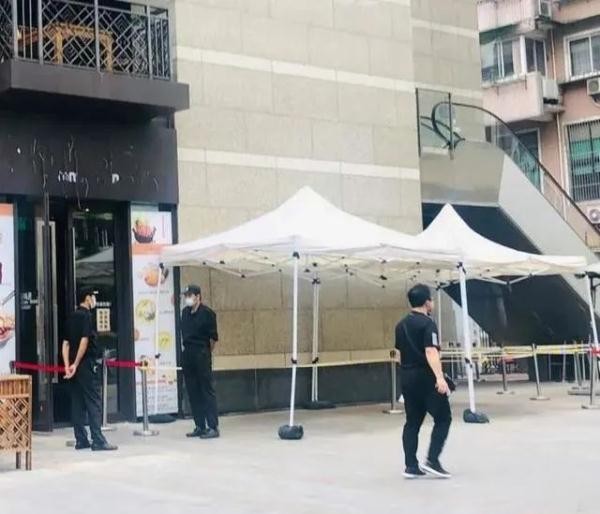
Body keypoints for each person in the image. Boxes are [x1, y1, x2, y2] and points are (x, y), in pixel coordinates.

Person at [395, 283, 451, 479]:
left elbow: (399, 354)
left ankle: (411, 465)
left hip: (407, 376)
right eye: (431, 299)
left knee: (412, 422)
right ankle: (432, 460)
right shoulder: (428, 324)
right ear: (427, 302)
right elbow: (430, 351)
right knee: (443, 418)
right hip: (426, 377)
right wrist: (440, 378)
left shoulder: (400, 325)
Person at [62, 287, 117, 451]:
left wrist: (67, 366)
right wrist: (76, 363)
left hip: (74, 367)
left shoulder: (71, 316)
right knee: (93, 402)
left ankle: (81, 439)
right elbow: (84, 341)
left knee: (77, 403)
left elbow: (65, 343)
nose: (94, 300)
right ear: (87, 298)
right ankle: (98, 439)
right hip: (86, 364)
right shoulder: (86, 316)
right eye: (93, 297)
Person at [181, 284, 220, 439]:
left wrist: (205, 353)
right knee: (192, 391)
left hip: (201, 352)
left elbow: (213, 338)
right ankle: (199, 425)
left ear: (198, 297)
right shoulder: (185, 313)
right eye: (186, 296)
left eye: (190, 295)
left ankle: (213, 426)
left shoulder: (207, 313)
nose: (187, 298)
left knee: (206, 390)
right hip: (188, 353)